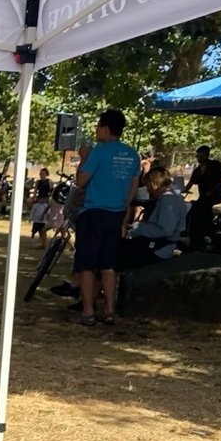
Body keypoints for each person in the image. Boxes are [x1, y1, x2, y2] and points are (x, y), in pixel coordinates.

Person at [73, 108, 140, 325]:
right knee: (108, 265)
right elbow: (133, 186)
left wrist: (83, 158)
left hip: (93, 212)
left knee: (87, 264)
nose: (96, 130)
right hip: (116, 213)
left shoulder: (98, 152)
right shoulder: (132, 155)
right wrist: (123, 207)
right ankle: (110, 310)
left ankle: (88, 310)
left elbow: (81, 181)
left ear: (105, 128)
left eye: (98, 126)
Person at [117, 165, 186, 272]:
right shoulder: (171, 198)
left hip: (159, 248)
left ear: (153, 184)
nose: (148, 190)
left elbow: (165, 230)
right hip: (158, 244)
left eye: (148, 186)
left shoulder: (168, 201)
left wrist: (138, 228)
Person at [183, 145, 221, 251]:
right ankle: (198, 236)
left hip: (214, 195)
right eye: (197, 156)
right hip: (203, 196)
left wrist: (212, 190)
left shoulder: (215, 165)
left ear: (207, 156)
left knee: (205, 212)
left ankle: (208, 234)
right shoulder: (198, 169)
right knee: (198, 211)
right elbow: (192, 182)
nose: (199, 159)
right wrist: (182, 189)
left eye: (201, 156)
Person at [28, 167, 52, 245]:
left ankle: (42, 235)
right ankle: (34, 233)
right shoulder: (38, 182)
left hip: (46, 200)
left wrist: (48, 200)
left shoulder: (49, 182)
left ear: (46, 174)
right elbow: (35, 191)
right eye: (40, 174)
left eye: (43, 174)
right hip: (39, 199)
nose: (41, 175)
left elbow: (51, 192)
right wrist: (35, 198)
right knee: (36, 216)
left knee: (44, 218)